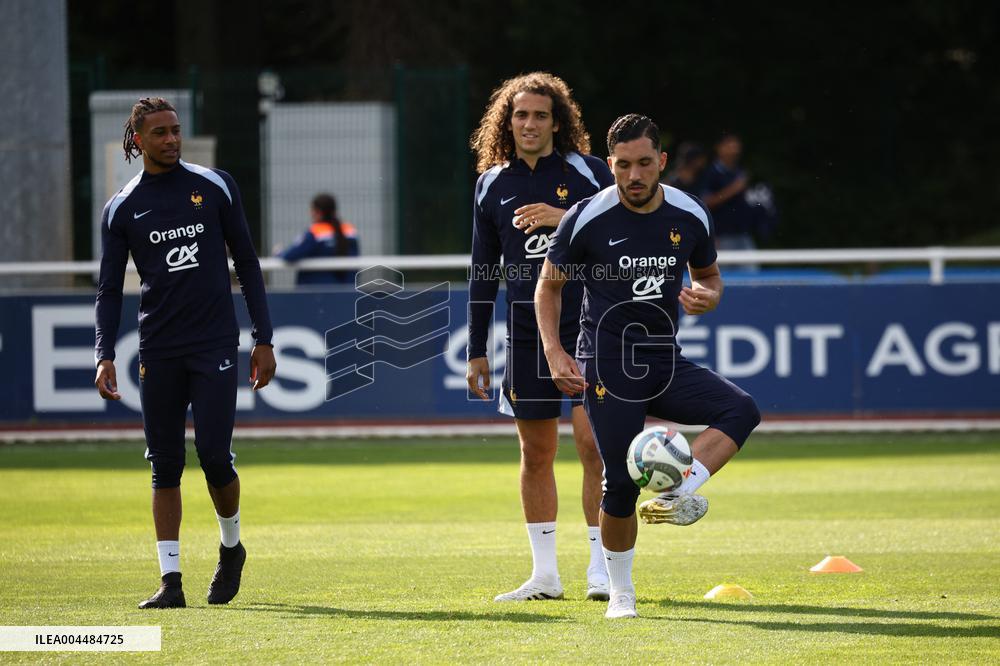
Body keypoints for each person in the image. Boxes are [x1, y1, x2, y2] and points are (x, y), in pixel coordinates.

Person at [537, 114, 760, 619]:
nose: (633, 176)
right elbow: (548, 286)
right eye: (622, 165)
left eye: (643, 164)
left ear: (661, 162)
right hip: (607, 365)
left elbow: (710, 277)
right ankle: (620, 592)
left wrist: (709, 296)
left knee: (741, 409)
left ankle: (677, 488)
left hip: (664, 361)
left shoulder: (690, 214)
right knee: (618, 482)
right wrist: (554, 350)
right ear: (610, 164)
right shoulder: (586, 217)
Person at [94, 97, 276, 609]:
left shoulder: (214, 186)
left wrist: (264, 337)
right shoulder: (123, 207)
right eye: (160, 133)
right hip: (158, 348)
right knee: (164, 465)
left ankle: (231, 547)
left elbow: (247, 262)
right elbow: (109, 289)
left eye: (176, 131)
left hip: (215, 342)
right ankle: (170, 582)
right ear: (138, 140)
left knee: (215, 456)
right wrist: (104, 352)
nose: (172, 139)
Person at [467, 72, 615, 602]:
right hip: (527, 338)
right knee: (535, 454)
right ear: (507, 121)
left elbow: (623, 235)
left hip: (589, 330)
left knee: (593, 446)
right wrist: (476, 349)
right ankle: (546, 575)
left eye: (540, 115)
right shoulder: (491, 183)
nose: (529, 124)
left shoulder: (589, 173)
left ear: (559, 122)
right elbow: (483, 270)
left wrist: (566, 218)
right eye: (520, 115)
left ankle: (602, 567)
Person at [276, 192, 360, 285]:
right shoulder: (350, 231)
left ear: (317, 212)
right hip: (348, 290)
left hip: (315, 292)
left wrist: (278, 253)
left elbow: (290, 256)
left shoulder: (315, 232)